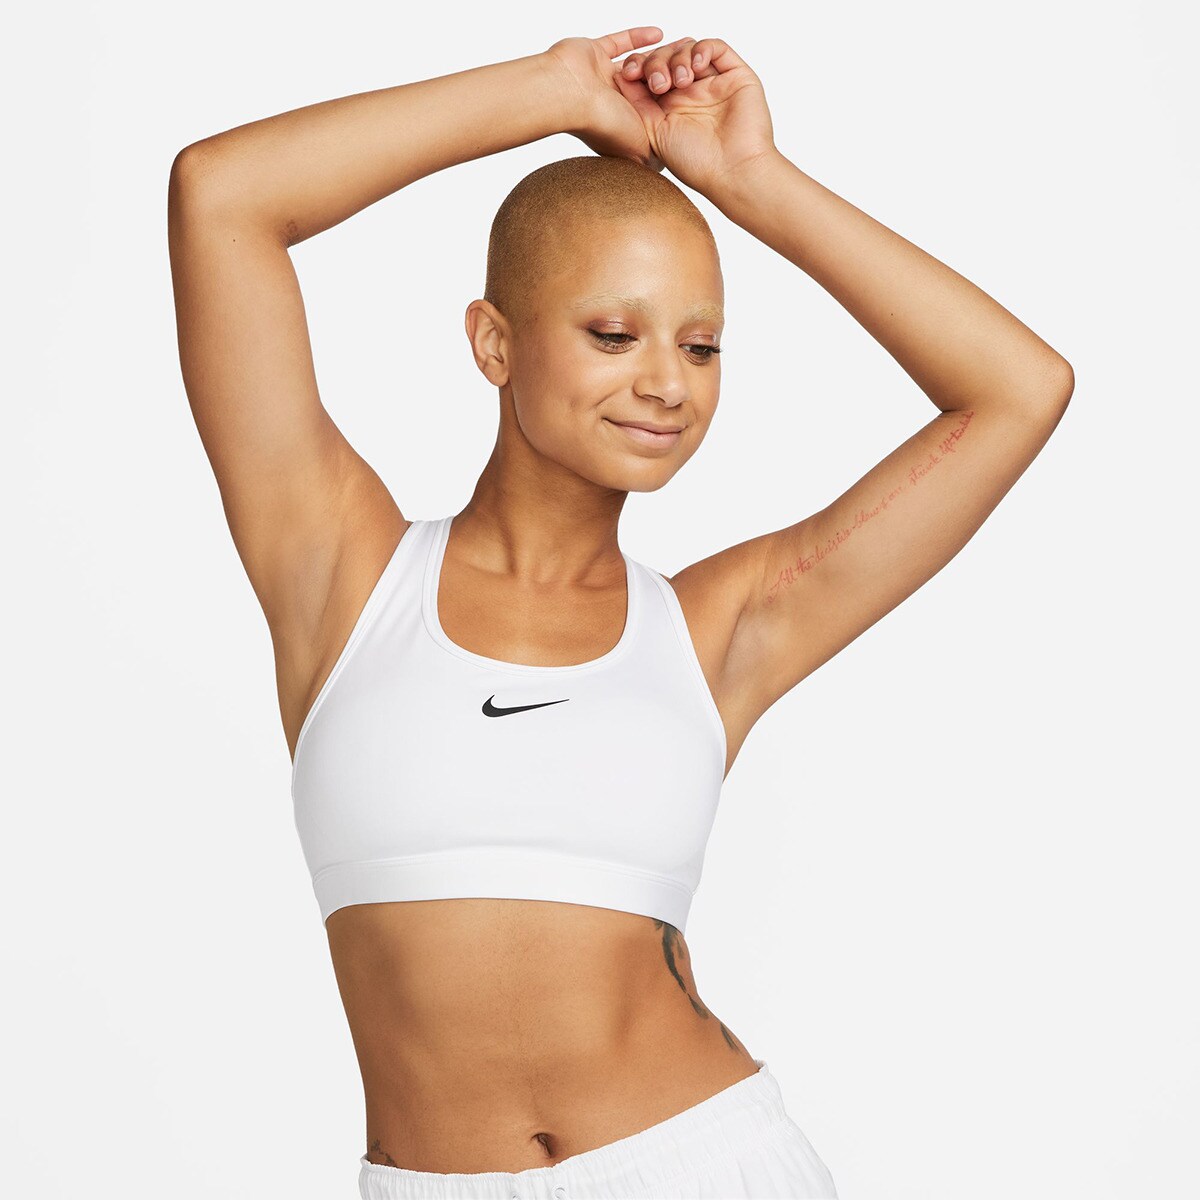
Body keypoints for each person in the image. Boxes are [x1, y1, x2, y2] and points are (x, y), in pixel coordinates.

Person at [167, 26, 1072, 1200]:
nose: (666, 384)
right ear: (494, 341)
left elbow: (1019, 389)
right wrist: (553, 90)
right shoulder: (341, 574)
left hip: (702, 1164)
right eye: (612, 334)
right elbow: (222, 195)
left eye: (701, 346)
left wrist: (751, 179)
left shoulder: (717, 633)